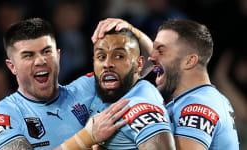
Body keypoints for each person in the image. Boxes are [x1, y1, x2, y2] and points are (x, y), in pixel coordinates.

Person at [0, 18, 129, 150]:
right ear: (12, 66)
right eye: (28, 55)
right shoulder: (2, 116)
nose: (40, 61)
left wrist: (134, 33)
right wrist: (87, 137)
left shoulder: (88, 88)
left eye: (46, 51)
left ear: (58, 55)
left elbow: (144, 64)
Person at [92, 18, 239, 150]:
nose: (152, 58)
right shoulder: (199, 99)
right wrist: (132, 30)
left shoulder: (198, 106)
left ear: (189, 61)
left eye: (161, 50)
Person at [89, 25, 175, 149]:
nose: (107, 64)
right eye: (101, 57)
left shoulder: (139, 108)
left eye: (119, 56)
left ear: (139, 64)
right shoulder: (105, 91)